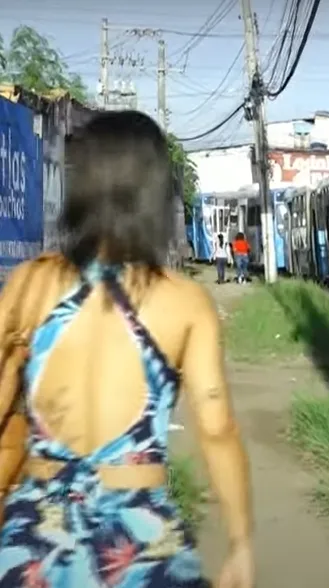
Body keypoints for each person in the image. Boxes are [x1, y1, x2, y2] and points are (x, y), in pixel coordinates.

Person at [0, 111, 254, 587]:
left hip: (34, 538)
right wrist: (240, 543)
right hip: (140, 542)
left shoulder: (30, 284)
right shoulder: (184, 302)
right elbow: (218, 428)